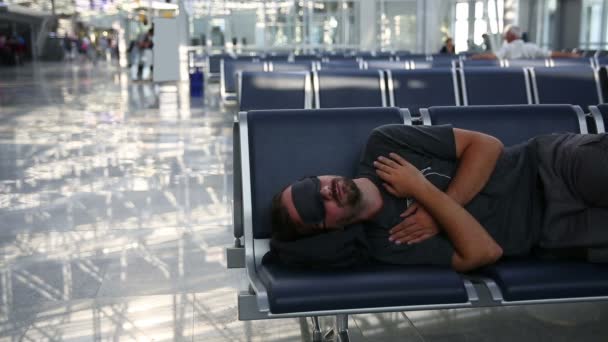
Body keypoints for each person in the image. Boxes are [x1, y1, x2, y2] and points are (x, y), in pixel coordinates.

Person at [271, 124, 608, 272]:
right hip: (552, 232)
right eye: (315, 206)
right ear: (329, 229)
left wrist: (439, 207)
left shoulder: (383, 145)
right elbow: (485, 252)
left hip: (550, 166)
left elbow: (488, 146)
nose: (324, 191)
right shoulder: (387, 241)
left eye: (309, 186)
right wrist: (423, 192)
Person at [473, 25, 579, 60]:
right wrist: (571, 55)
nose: (504, 36)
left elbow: (494, 57)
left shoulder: (507, 48)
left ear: (512, 35)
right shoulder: (531, 47)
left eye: (507, 33)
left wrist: (473, 58)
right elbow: (551, 54)